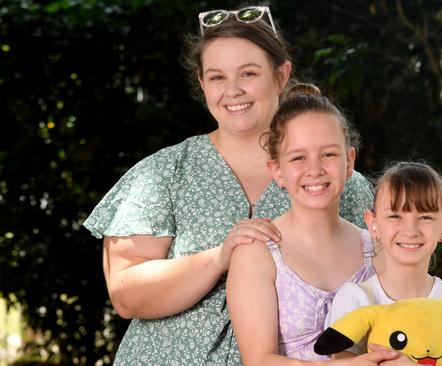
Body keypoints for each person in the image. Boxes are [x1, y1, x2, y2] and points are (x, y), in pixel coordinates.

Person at [83, 6, 374, 365]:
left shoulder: (335, 181)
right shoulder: (164, 172)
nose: (233, 91)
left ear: (282, 75)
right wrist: (220, 257)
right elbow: (126, 295)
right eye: (217, 77)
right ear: (202, 83)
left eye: (248, 73)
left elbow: (381, 288)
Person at [226, 85, 399, 365]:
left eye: (328, 154)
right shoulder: (257, 254)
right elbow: (259, 361)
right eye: (298, 158)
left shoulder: (377, 248)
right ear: (277, 171)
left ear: (349, 161)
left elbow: (419, 324)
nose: (315, 169)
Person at [326, 161, 442, 366]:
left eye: (425, 217)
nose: (410, 231)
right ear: (373, 223)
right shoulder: (356, 300)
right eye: (395, 216)